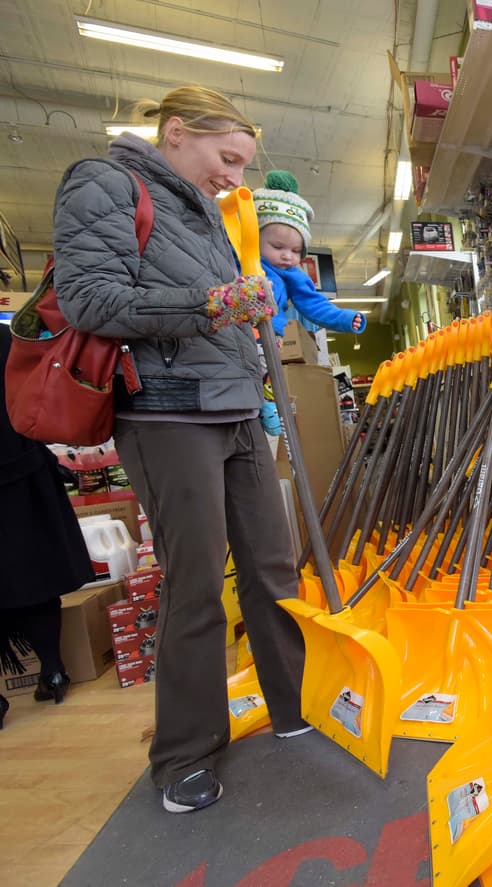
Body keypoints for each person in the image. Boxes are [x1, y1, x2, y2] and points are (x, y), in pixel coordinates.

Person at [52, 86, 311, 814]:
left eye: (242, 164)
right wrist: (212, 306)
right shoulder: (104, 183)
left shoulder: (207, 209)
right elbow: (90, 299)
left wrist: (250, 356)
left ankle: (293, 708)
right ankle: (184, 755)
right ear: (175, 133)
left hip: (233, 411)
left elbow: (223, 306)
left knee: (272, 567)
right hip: (167, 415)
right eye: (227, 157)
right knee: (196, 581)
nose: (235, 176)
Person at [0, 325, 96, 729]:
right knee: (36, 577)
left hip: (20, 472)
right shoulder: (7, 339)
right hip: (20, 470)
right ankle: (53, 670)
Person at [253, 169, 366, 337]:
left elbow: (313, 303)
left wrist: (344, 318)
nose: (287, 256)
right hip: (232, 329)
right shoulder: (235, 258)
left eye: (296, 251)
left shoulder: (291, 274)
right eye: (277, 247)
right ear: (254, 238)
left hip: (270, 335)